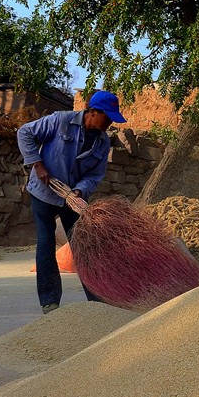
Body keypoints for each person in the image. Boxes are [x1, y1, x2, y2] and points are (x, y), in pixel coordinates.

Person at [17, 90, 126, 314]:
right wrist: (38, 165)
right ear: (93, 112)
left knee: (83, 246)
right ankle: (50, 302)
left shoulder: (103, 142)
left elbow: (95, 175)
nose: (110, 123)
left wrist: (78, 190)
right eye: (108, 117)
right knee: (46, 242)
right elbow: (24, 132)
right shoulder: (60, 121)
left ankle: (97, 300)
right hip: (43, 192)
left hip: (72, 199)